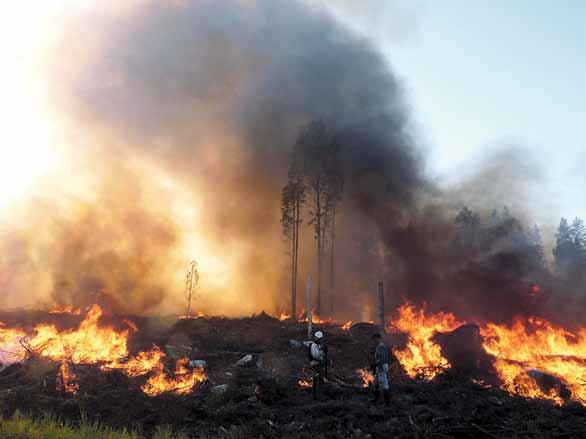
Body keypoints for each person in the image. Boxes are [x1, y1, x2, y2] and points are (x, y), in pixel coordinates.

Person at [371, 333, 391, 406]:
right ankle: (375, 400)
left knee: (384, 384)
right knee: (376, 383)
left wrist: (376, 364)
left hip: (382, 367)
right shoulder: (379, 347)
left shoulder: (381, 347)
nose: (374, 341)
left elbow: (382, 359)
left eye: (375, 339)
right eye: (373, 340)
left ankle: (387, 403)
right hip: (379, 366)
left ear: (378, 338)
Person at [308, 330, 326, 400]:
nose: (319, 339)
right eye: (319, 338)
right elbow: (316, 356)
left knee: (318, 379)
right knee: (317, 379)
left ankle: (317, 395)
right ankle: (316, 396)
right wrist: (322, 351)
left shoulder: (316, 345)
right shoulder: (314, 345)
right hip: (315, 364)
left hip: (317, 364)